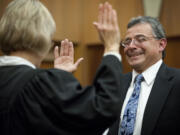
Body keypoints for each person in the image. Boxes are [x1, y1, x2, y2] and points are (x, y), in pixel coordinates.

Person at [0, 0, 123, 135]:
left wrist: (57, 79)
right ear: (44, 36)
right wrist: (111, 47)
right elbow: (104, 107)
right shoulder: (39, 82)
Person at [96, 11, 180, 135]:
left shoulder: (177, 82)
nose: (131, 46)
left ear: (161, 44)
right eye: (127, 41)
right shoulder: (116, 84)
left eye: (140, 39)